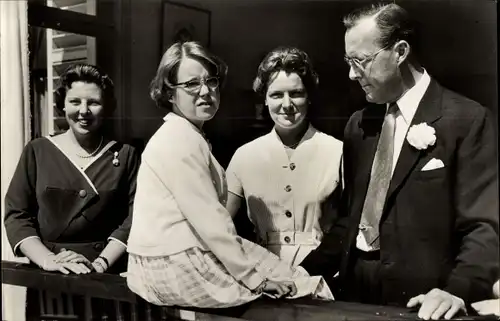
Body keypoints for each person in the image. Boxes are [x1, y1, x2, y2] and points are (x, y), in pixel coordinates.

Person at [300, 3, 499, 320]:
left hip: (423, 302)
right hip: (354, 294)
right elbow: (352, 218)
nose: (352, 74)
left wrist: (458, 290)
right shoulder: (358, 125)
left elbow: (483, 226)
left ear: (400, 51)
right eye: (348, 61)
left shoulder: (467, 120)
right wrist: (300, 273)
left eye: (360, 61)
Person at [126, 41, 333, 309]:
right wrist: (256, 279)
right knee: (298, 287)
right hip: (180, 265)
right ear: (169, 93)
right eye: (191, 84)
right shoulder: (180, 140)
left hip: (166, 261)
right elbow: (211, 221)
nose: (205, 91)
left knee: (293, 281)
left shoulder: (185, 135)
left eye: (211, 81)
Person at [4, 63, 139, 318]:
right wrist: (48, 260)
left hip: (105, 278)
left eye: (94, 102)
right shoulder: (38, 151)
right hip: (50, 277)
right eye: (75, 101)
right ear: (62, 104)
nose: (83, 111)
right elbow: (16, 215)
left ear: (107, 107)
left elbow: (135, 218)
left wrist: (101, 262)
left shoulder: (125, 155)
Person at [225, 47, 343, 267]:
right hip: (263, 270)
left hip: (321, 270)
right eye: (277, 95)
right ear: (265, 100)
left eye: (296, 93)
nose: (287, 104)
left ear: (309, 97)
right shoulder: (244, 156)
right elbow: (220, 226)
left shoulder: (337, 152)